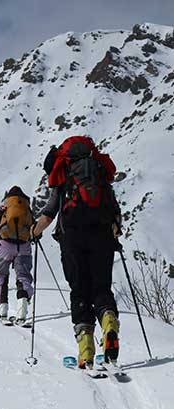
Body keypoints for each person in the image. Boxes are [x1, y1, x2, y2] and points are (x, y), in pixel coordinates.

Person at [32, 136, 122, 369]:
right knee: (101, 288)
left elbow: (51, 210)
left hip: (72, 238)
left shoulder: (63, 173)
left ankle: (86, 350)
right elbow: (114, 208)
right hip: (102, 235)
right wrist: (114, 229)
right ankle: (108, 319)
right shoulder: (99, 171)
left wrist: (35, 231)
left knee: (80, 292)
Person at [0, 186, 34, 323]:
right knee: (23, 276)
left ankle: (2, 309)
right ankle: (22, 306)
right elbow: (36, 230)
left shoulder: (3, 210)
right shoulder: (27, 210)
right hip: (23, 247)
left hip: (4, 246)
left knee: (1, 275)